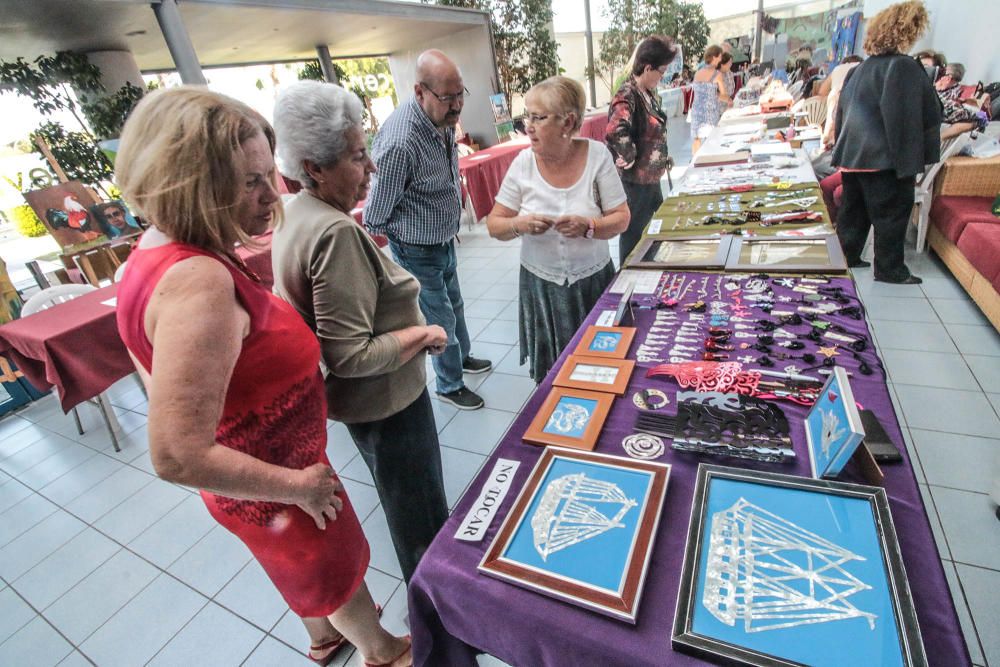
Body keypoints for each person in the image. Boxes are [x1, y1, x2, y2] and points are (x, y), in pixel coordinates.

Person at [114, 88, 411, 667]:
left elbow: (150, 363)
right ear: (188, 185)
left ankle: (324, 638)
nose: (271, 195)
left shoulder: (151, 250)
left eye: (264, 175)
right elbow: (174, 453)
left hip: (253, 485)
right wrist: (299, 487)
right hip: (279, 485)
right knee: (333, 570)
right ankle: (383, 650)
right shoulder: (197, 283)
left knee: (297, 572)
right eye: (249, 182)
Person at [271, 81, 450, 583]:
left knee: (404, 505)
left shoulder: (296, 213)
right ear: (314, 167)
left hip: (362, 408)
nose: (371, 167)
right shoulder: (335, 233)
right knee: (420, 521)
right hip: (386, 404)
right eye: (356, 156)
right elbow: (350, 354)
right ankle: (441, 619)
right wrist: (423, 334)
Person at [365, 50, 491, 411]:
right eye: (447, 97)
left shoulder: (440, 119)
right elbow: (374, 214)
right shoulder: (400, 141)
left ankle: (461, 358)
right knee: (439, 316)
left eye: (460, 94)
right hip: (417, 249)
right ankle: (449, 385)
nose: (457, 106)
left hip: (442, 240)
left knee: (455, 305)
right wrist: (402, 244)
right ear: (420, 92)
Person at [486, 77, 629, 381]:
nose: (528, 126)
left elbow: (621, 217)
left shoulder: (597, 156)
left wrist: (590, 226)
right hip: (542, 287)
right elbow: (494, 225)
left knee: (598, 367)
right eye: (527, 116)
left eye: (537, 117)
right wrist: (518, 224)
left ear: (569, 121)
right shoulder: (523, 163)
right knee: (553, 373)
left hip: (591, 281)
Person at [831, 0, 941, 285]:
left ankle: (848, 256)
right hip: (883, 157)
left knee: (853, 214)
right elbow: (905, 118)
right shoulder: (902, 67)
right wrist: (908, 162)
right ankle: (890, 269)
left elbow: (841, 111)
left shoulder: (860, 69)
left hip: (853, 155)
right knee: (891, 214)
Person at [605, 35, 678, 265]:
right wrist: (629, 155)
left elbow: (651, 130)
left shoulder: (647, 92)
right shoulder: (628, 93)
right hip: (636, 185)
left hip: (650, 182)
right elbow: (615, 128)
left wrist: (661, 156)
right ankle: (628, 280)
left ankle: (646, 272)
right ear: (648, 68)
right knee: (634, 239)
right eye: (662, 71)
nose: (663, 76)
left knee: (651, 233)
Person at [690, 45, 730, 154]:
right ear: (714, 57)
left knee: (696, 139)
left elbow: (701, 91)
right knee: (712, 139)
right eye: (720, 56)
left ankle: (695, 161)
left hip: (697, 110)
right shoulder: (717, 74)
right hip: (710, 111)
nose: (721, 59)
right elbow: (723, 95)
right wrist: (729, 100)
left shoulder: (698, 73)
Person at [934, 63, 988, 136]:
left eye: (941, 74)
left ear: (948, 78)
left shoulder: (951, 98)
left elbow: (982, 116)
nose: (938, 77)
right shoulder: (947, 92)